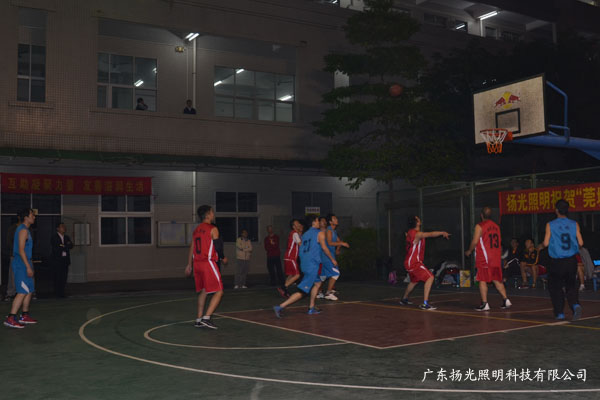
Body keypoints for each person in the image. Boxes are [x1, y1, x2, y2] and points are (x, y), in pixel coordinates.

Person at [273, 215, 337, 318]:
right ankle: (280, 307)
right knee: (303, 292)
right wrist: (332, 259)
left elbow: (301, 250)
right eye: (318, 221)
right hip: (312, 265)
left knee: (317, 284)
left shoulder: (305, 234)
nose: (319, 222)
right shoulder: (319, 233)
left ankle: (311, 307)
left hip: (305, 263)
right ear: (314, 222)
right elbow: (325, 248)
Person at [538, 199, 584, 321]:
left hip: (557, 261)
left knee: (555, 287)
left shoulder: (550, 225)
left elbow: (546, 243)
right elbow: (581, 243)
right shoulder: (574, 224)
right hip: (571, 261)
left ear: (556, 210)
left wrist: (541, 246)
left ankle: (559, 313)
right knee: (571, 286)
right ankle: (575, 305)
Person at [465, 207, 512, 311]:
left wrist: (469, 250)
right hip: (496, 257)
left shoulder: (480, 226)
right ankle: (506, 299)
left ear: (481, 215)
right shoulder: (496, 226)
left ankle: (484, 303)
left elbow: (475, 241)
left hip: (485, 258)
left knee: (482, 280)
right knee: (496, 279)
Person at [184, 205, 223, 329]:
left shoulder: (196, 230)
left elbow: (192, 248)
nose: (213, 214)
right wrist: (223, 257)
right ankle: (207, 318)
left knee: (204, 290)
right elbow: (218, 247)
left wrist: (189, 264)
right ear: (207, 215)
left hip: (197, 264)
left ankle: (199, 319)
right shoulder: (213, 229)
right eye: (212, 212)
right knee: (219, 291)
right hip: (208, 262)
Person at [400, 215, 450, 310]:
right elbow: (430, 234)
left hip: (409, 262)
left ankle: (404, 299)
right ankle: (425, 303)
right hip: (414, 263)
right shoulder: (416, 234)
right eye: (418, 219)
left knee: (414, 282)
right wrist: (442, 232)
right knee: (430, 277)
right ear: (416, 222)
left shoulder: (410, 232)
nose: (419, 219)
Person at [4, 208, 37, 328]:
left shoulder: (26, 229)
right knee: (22, 291)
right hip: (21, 264)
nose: (34, 217)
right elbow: (21, 250)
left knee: (29, 290)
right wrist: (28, 267)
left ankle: (24, 315)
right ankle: (11, 318)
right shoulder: (23, 230)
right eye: (32, 215)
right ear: (26, 217)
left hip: (26, 262)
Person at [319, 214, 349, 301]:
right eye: (334, 218)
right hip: (326, 256)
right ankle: (328, 293)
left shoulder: (333, 231)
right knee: (336, 273)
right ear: (330, 222)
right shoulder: (329, 230)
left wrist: (338, 249)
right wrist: (341, 244)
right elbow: (329, 243)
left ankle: (318, 292)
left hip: (328, 256)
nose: (336, 219)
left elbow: (338, 241)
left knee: (323, 276)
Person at [280, 219, 303, 298]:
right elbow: (300, 244)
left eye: (299, 223)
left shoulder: (294, 233)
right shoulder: (295, 234)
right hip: (291, 258)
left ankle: (284, 290)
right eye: (297, 223)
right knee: (297, 275)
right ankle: (283, 287)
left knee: (290, 275)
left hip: (288, 258)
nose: (299, 224)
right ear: (293, 226)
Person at [50, 222, 73, 298]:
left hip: (65, 261)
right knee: (57, 277)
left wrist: (64, 246)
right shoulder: (54, 237)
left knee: (64, 277)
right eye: (62, 227)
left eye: (64, 226)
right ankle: (57, 293)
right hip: (57, 261)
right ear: (58, 228)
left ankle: (62, 292)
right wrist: (66, 245)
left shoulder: (66, 237)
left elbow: (71, 245)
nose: (64, 228)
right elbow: (57, 247)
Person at [2, 216, 21, 301]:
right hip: (15, 255)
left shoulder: (27, 228)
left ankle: (25, 292)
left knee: (26, 274)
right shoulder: (12, 228)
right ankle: (10, 293)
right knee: (13, 275)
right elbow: (9, 242)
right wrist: (16, 251)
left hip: (25, 255)